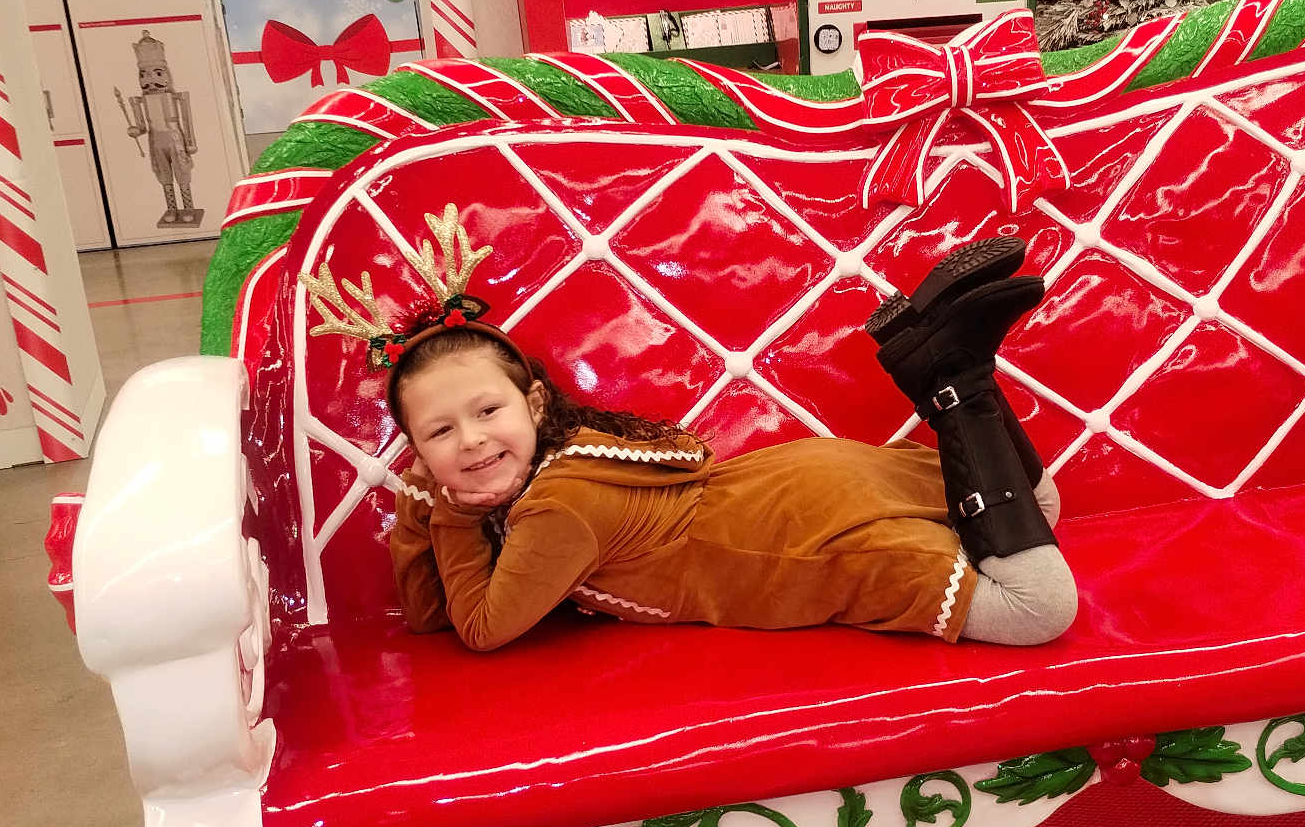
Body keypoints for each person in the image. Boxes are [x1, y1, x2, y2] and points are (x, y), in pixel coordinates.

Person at [366, 224, 1078, 651]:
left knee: (1039, 608)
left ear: (533, 400)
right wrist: (420, 502)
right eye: (439, 431)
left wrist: (452, 510)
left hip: (799, 545)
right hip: (791, 490)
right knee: (1034, 510)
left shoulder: (557, 507)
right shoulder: (567, 458)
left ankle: (958, 377)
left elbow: (483, 627)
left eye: (487, 411)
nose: (469, 440)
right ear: (418, 450)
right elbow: (432, 615)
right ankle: (957, 373)